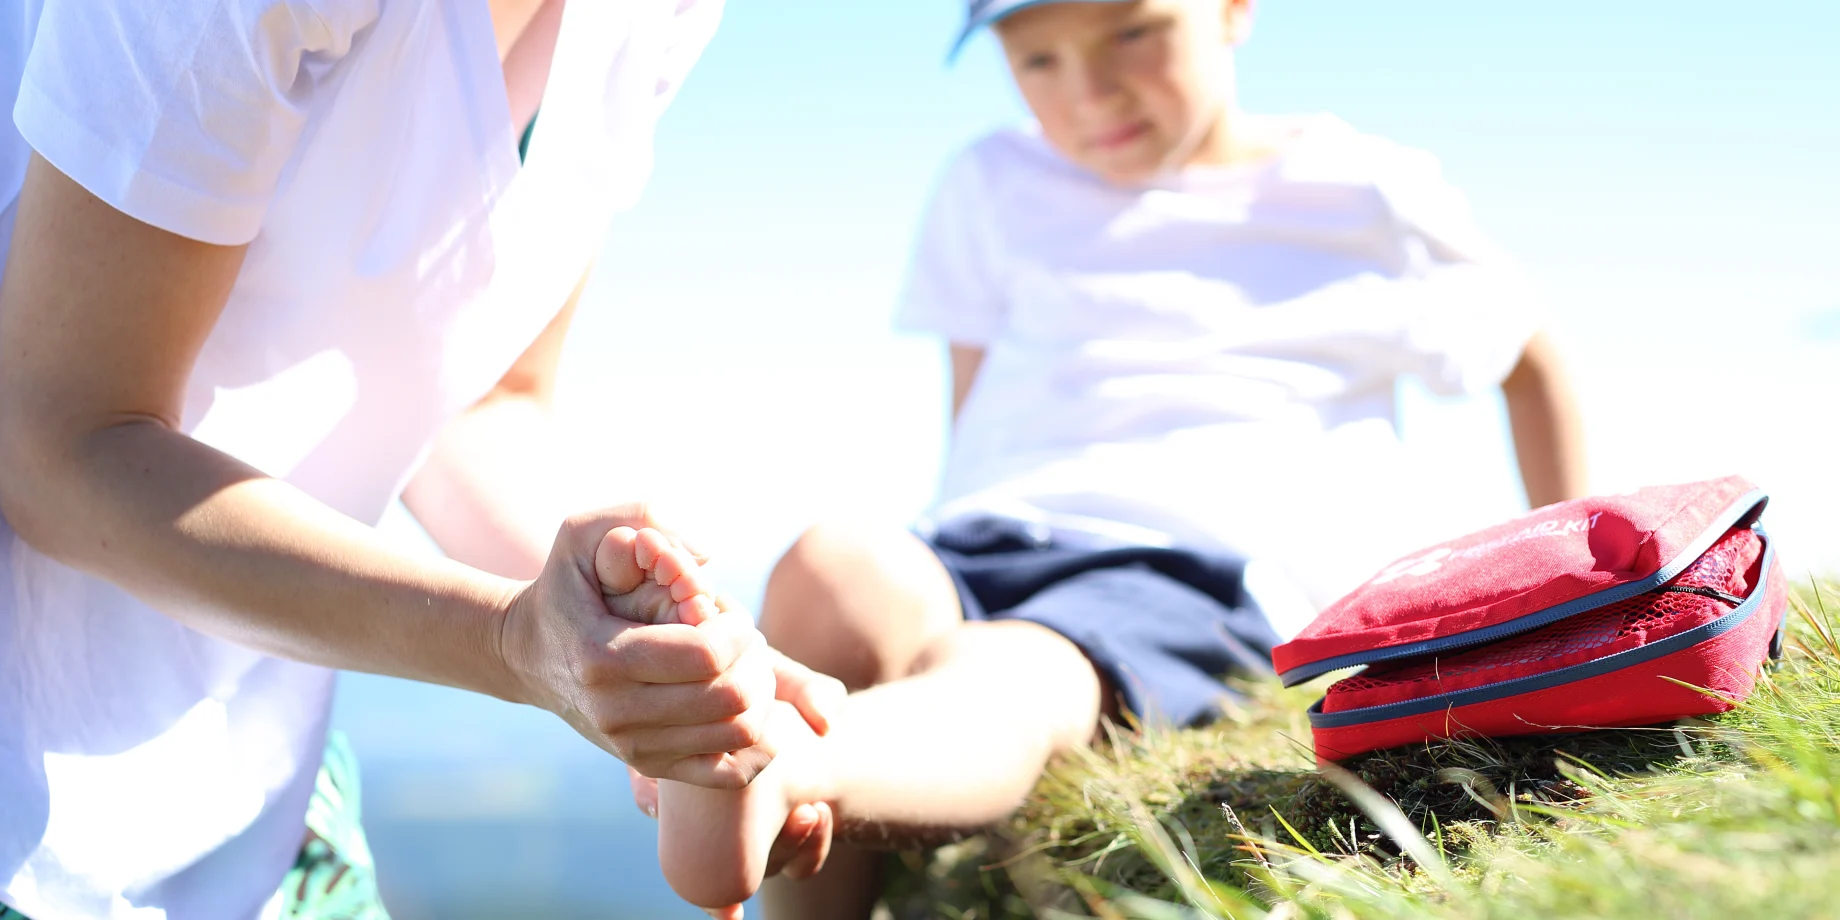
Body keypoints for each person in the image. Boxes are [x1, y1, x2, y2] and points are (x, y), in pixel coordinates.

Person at [633, 0, 1589, 916]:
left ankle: (784, 760)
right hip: (990, 530)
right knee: (834, 565)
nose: (1089, 92)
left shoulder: (1365, 191)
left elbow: (1531, 360)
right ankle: (770, 840)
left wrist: (1581, 587)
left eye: (1132, 31)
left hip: (1192, 565)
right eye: (1038, 59)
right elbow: (976, 405)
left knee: (1004, 669)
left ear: (1230, 8)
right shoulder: (991, 181)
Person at [0, 1, 842, 918]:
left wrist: (665, 649)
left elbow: (483, 405)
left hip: (253, 767)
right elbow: (57, 443)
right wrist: (514, 646)